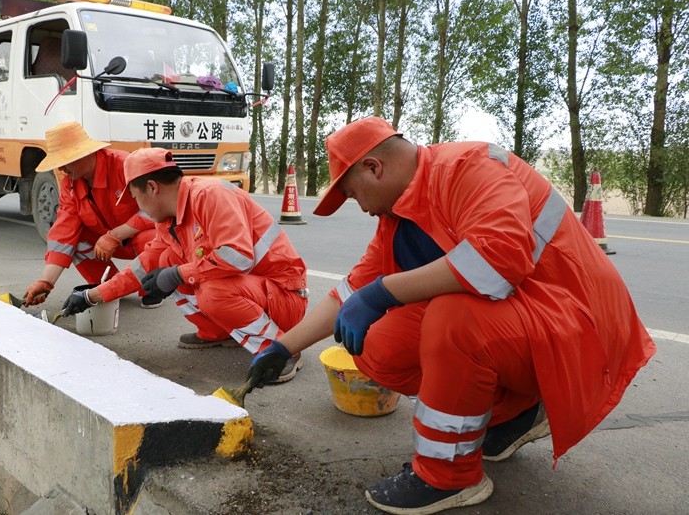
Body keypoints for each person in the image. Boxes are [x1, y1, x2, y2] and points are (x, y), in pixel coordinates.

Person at [246, 117, 655, 513]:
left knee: (452, 317)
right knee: (376, 344)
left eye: (354, 195)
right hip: (531, 325)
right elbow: (348, 296)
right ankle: (515, 413)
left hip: (583, 330)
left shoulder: (468, 168)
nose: (363, 209)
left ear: (374, 167)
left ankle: (450, 476)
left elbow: (497, 261)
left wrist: (384, 291)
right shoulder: (398, 218)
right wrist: (282, 347)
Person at [62, 147, 309, 382]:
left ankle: (282, 348)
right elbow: (142, 268)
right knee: (165, 261)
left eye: (136, 198)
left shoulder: (210, 195)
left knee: (207, 288)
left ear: (152, 187)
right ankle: (218, 333)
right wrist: (91, 296)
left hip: (285, 296)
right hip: (256, 293)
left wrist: (180, 273)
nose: (138, 207)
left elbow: (238, 256)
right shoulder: (169, 220)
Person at [24, 122, 161, 309]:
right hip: (106, 244)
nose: (62, 169)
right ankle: (110, 286)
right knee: (76, 241)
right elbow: (63, 234)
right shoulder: (69, 184)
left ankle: (150, 287)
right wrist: (46, 282)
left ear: (84, 153)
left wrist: (116, 235)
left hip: (137, 238)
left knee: (151, 238)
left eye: (65, 161)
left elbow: (155, 208)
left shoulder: (124, 165)